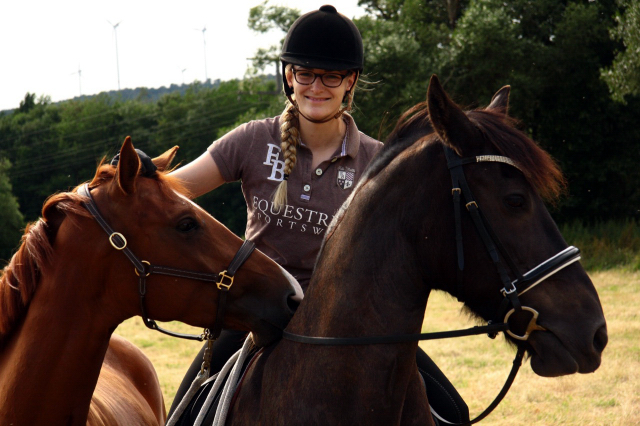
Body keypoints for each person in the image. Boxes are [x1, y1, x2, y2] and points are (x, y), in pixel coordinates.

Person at [168, 5, 469, 425]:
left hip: (351, 317)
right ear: (289, 77)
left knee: (454, 412)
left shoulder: (377, 161)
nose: (317, 86)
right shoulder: (252, 140)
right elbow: (172, 191)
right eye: (306, 74)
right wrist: (141, 174)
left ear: (350, 82)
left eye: (331, 76)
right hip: (258, 310)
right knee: (183, 417)